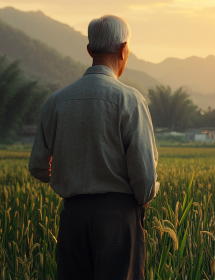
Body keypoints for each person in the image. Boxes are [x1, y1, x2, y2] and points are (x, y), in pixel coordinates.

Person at [29, 15, 159, 280]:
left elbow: (37, 166)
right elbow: (145, 182)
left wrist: (71, 175)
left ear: (89, 50)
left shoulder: (56, 101)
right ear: (124, 49)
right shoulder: (130, 100)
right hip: (118, 218)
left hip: (72, 218)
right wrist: (150, 191)